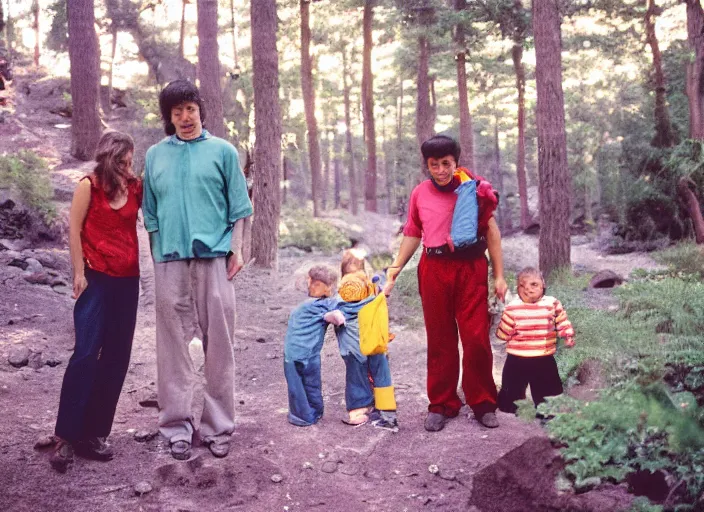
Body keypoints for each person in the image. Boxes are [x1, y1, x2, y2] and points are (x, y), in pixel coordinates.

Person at [142, 79, 253, 460]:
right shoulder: (155, 155)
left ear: (200, 110)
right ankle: (175, 426)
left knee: (219, 343)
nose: (185, 117)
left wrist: (237, 249)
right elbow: (151, 213)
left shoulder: (223, 152)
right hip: (169, 260)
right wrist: (158, 257)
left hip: (215, 259)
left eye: (190, 109)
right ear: (168, 118)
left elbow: (240, 207)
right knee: (172, 347)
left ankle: (218, 426)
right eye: (177, 112)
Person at [384, 134, 507, 431]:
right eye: (434, 164)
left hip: (470, 267)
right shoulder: (420, 193)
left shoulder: (474, 190)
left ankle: (483, 402)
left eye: (446, 163)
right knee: (440, 338)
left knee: (476, 337)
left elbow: (491, 232)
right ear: (427, 165)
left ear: (456, 162)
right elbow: (413, 232)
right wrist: (395, 268)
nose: (440, 170)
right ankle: (442, 403)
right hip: (434, 268)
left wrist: (499, 275)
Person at [51, 131, 142, 473]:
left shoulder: (135, 187)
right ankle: (66, 435)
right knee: (87, 352)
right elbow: (73, 230)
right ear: (108, 159)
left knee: (117, 357)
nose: (128, 168)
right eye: (122, 162)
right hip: (96, 278)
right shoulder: (88, 185)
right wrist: (78, 272)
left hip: (128, 281)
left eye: (131, 162)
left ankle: (94, 434)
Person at [495, 267, 575, 414]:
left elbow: (562, 321)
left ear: (543, 284)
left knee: (547, 388)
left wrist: (567, 335)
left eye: (534, 284)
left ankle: (548, 410)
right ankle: (510, 406)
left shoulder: (551, 304)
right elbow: (503, 333)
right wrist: (502, 332)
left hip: (543, 356)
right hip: (517, 357)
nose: (528, 289)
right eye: (522, 285)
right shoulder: (512, 308)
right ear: (517, 288)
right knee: (512, 388)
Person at [335, 250, 398, 431]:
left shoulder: (341, 293)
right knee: (381, 373)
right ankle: (387, 413)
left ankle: (359, 409)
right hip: (374, 340)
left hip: (353, 345)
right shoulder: (374, 287)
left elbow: (336, 316)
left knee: (356, 374)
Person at [283, 265, 344, 426]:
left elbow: (335, 314)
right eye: (310, 282)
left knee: (303, 385)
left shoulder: (321, 304)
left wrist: (338, 317)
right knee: (309, 383)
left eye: (316, 284)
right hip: (302, 353)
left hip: (298, 354)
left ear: (329, 287)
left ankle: (304, 416)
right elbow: (336, 313)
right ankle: (313, 412)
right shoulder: (316, 304)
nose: (310, 286)